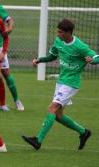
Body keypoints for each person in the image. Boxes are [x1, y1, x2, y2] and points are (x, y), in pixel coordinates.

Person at [22, 19, 96, 150]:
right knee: (58, 116)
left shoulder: (80, 46)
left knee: (52, 108)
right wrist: (39, 60)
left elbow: (96, 57)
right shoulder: (59, 41)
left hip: (71, 83)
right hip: (61, 81)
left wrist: (93, 61)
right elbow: (52, 56)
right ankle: (84, 132)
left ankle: (38, 141)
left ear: (68, 33)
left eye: (60, 32)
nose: (57, 34)